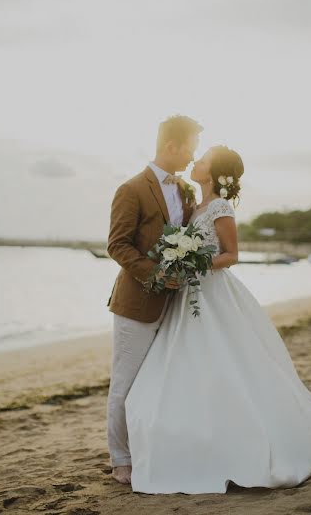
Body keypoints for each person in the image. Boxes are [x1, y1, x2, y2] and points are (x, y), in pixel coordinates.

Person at [124, 145, 311, 494]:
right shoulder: (194, 205)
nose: (197, 162)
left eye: (203, 160)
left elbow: (232, 255)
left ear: (215, 174)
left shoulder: (219, 206)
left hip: (213, 293)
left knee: (226, 362)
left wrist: (192, 264)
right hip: (188, 294)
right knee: (183, 365)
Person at [106, 114, 203, 484]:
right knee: (125, 384)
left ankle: (151, 448)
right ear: (171, 146)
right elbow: (117, 244)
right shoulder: (131, 189)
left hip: (175, 305)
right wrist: (156, 273)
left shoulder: (184, 190)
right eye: (190, 147)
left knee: (160, 382)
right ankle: (120, 459)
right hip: (136, 303)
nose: (193, 156)